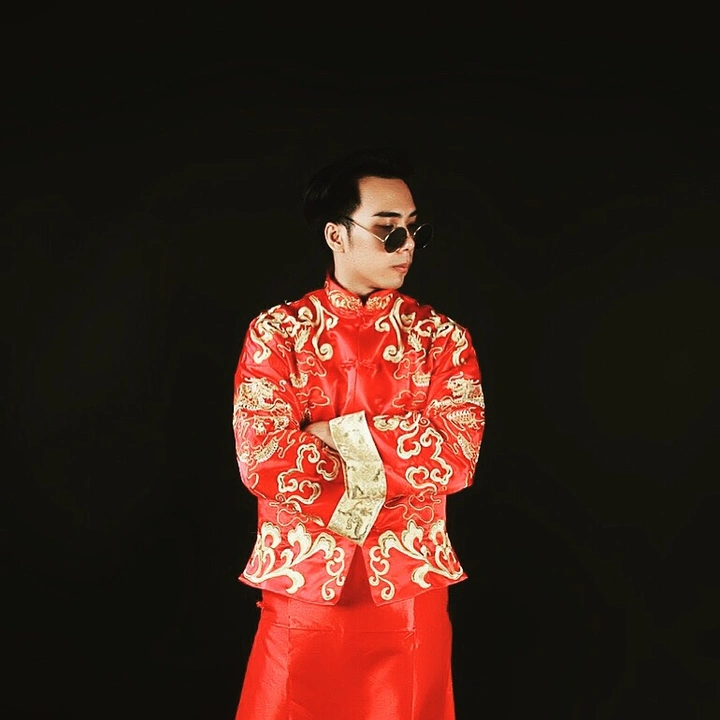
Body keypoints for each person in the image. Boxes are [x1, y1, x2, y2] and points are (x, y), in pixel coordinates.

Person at [231, 145, 486, 720]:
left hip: (408, 590)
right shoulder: (276, 334)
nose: (407, 245)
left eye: (415, 230)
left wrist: (328, 433)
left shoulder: (443, 339)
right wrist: (396, 447)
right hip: (302, 588)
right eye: (389, 231)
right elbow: (263, 458)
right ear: (335, 235)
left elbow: (455, 455)